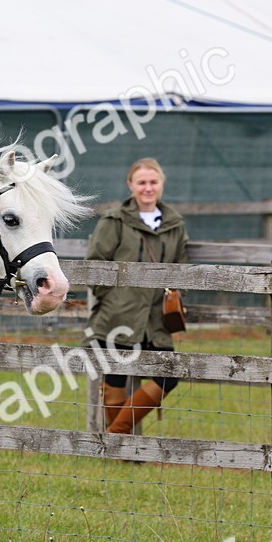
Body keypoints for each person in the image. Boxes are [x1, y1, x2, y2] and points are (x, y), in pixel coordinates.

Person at [85, 158, 189, 434]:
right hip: (118, 315)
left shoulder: (175, 224)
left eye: (153, 182)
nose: (147, 188)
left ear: (161, 184)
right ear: (130, 185)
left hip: (156, 320)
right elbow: (95, 265)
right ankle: (122, 450)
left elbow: (182, 270)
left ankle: (115, 435)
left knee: (168, 376)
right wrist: (116, 298)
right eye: (141, 182)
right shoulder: (114, 221)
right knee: (115, 380)